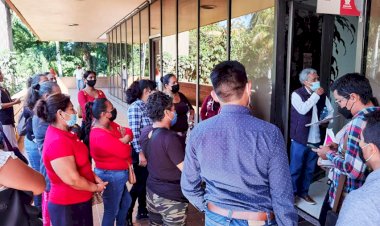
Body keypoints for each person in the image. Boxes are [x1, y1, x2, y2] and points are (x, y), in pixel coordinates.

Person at [181, 61, 297, 226]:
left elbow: (188, 187)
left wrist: (210, 210)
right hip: (257, 220)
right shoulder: (271, 134)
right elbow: (282, 195)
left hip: (215, 218)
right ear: (248, 88)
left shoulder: (199, 132)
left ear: (214, 95)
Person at [314, 73, 380, 225]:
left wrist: (328, 154)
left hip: (347, 196)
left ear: (353, 97)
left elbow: (353, 170)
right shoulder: (376, 114)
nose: (340, 106)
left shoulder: (358, 122)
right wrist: (340, 148)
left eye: (339, 100)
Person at [35, 93, 108, 226]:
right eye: (71, 109)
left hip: (78, 200)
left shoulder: (66, 134)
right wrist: (95, 187)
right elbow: (72, 179)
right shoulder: (58, 142)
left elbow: (78, 163)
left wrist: (93, 176)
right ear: (61, 114)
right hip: (68, 206)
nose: (75, 112)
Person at [140, 91, 188, 225]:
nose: (175, 113)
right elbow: (186, 170)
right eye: (174, 109)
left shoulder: (145, 132)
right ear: (167, 113)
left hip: (151, 192)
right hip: (170, 198)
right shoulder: (169, 138)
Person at [85, 98, 133, 226]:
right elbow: (126, 152)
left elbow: (129, 131)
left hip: (118, 174)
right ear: (103, 114)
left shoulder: (109, 125)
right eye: (111, 109)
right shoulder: (99, 135)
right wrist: (124, 141)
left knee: (125, 203)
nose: (113, 111)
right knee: (111, 210)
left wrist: (124, 139)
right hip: (110, 176)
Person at [289, 68, 334, 205]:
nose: (317, 82)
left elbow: (330, 111)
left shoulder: (322, 95)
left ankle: (304, 193)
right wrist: (315, 95)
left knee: (309, 168)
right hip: (300, 137)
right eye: (314, 80)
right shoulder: (297, 94)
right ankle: (291, 195)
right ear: (305, 82)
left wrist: (327, 119)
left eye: (317, 78)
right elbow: (303, 110)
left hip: (315, 137)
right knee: (295, 168)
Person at [336, 111, 380, 226]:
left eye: (361, 139)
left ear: (371, 149)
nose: (360, 144)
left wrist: (330, 155)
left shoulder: (361, 202)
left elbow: (353, 171)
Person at [126, 79, 156, 225]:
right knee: (138, 184)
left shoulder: (146, 106)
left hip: (148, 150)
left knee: (145, 182)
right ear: (146, 91)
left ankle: (142, 210)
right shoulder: (135, 107)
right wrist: (140, 154)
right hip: (140, 152)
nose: (153, 93)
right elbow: (134, 133)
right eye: (152, 91)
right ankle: (127, 212)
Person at [32, 82, 61, 226]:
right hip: (51, 175)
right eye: (58, 95)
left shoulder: (46, 115)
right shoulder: (42, 119)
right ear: (47, 96)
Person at [161, 74, 194, 142]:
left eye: (177, 82)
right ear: (166, 86)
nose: (176, 84)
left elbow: (191, 109)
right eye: (173, 83)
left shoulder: (181, 95)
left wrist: (191, 116)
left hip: (184, 133)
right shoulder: (162, 98)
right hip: (170, 135)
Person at [0, 69, 21, 149]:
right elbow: (1, 105)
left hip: (9, 119)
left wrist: (13, 100)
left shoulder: (2, 88)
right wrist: (14, 103)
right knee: (9, 145)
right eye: (0, 74)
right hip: (4, 121)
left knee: (14, 143)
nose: (2, 75)